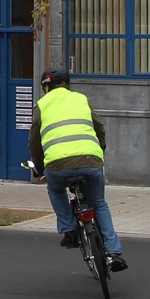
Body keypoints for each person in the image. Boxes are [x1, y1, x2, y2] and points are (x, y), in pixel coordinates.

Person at [28, 69, 127, 272]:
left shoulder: (41, 105)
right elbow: (99, 126)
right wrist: (99, 152)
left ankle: (69, 230)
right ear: (66, 84)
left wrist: (39, 167)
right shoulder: (82, 99)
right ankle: (113, 253)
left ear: (46, 87)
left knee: (55, 189)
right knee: (99, 203)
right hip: (90, 161)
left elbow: (34, 141)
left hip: (57, 166)